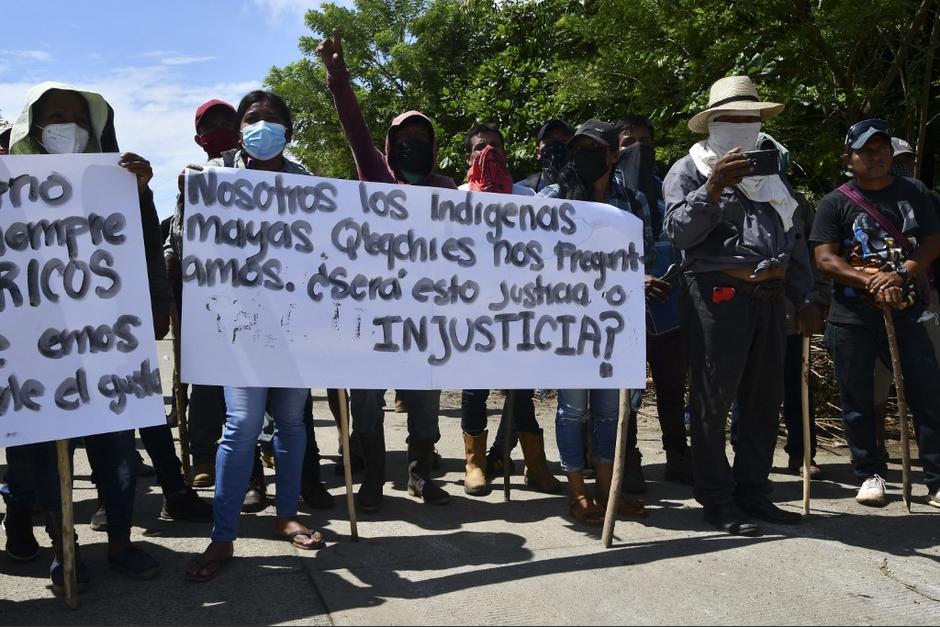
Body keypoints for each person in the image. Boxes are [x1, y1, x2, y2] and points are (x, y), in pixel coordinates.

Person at [4, 81, 171, 591]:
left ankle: (120, 542)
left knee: (116, 454)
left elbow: (144, 246)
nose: (66, 126)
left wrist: (140, 193)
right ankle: (63, 547)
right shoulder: (9, 184)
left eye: (77, 118)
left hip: (107, 346)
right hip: (35, 353)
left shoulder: (114, 182)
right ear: (32, 125)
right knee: (41, 460)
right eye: (54, 114)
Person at [663, 76, 823, 536]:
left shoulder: (773, 175)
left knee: (763, 400)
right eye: (731, 119)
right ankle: (717, 498)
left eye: (749, 119)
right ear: (712, 124)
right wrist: (713, 187)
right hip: (719, 297)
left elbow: (792, 238)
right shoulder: (689, 170)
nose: (741, 126)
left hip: (771, 301)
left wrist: (806, 295)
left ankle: (754, 491)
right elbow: (679, 234)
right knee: (714, 399)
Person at [185, 90, 326, 583]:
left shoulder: (305, 180)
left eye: (272, 119)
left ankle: (285, 514)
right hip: (238, 326)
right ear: (241, 127)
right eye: (253, 118)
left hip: (294, 325)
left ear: (288, 130)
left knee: (291, 424)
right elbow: (191, 243)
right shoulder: (213, 176)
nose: (262, 126)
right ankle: (223, 535)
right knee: (241, 424)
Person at [318, 29, 453, 509]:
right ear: (392, 143)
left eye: (423, 138)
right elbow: (355, 127)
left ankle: (420, 473)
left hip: (423, 318)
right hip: (370, 315)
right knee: (369, 402)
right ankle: (373, 478)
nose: (414, 143)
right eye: (406, 137)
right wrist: (338, 76)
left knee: (424, 402)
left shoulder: (446, 188)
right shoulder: (375, 176)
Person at [811, 118, 940, 509]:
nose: (876, 156)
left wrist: (900, 274)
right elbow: (825, 257)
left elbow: (932, 241)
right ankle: (869, 474)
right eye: (866, 151)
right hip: (852, 317)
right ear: (848, 159)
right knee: (858, 398)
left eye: (882, 149)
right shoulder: (835, 202)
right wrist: (869, 280)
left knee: (928, 393)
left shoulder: (914, 191)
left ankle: (935, 480)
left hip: (909, 311)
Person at [539, 119, 652, 526]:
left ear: (613, 154)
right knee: (573, 410)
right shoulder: (552, 197)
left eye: (593, 147)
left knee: (610, 411)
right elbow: (535, 257)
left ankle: (609, 493)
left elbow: (645, 255)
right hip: (569, 323)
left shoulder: (633, 200)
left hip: (616, 326)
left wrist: (643, 277)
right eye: (578, 147)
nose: (584, 154)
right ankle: (578, 493)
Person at [456, 123, 560, 496]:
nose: (488, 153)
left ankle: (535, 465)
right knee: (474, 390)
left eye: (495, 146)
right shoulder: (456, 200)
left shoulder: (526, 197)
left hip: (519, 312)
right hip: (472, 312)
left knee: (520, 390)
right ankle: (475, 464)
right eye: (480, 147)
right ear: (468, 157)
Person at [613, 115, 692, 492]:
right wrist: (632, 280)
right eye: (629, 142)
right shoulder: (608, 196)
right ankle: (627, 462)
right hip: (622, 311)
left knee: (672, 388)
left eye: (645, 141)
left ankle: (678, 457)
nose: (638, 149)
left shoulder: (670, 189)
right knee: (626, 391)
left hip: (669, 305)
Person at [518, 118, 574, 193]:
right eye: (549, 142)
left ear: (575, 149)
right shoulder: (521, 190)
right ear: (538, 152)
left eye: (563, 141)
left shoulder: (589, 190)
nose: (556, 146)